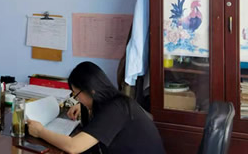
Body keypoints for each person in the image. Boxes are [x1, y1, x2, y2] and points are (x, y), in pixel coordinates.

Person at [27, 61, 165, 154]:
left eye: (76, 94)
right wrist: (83, 106)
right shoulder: (112, 102)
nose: (77, 99)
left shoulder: (116, 108)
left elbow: (74, 146)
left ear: (91, 90)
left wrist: (40, 131)